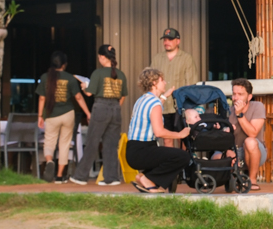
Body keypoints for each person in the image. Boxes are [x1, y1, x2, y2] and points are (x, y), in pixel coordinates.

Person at [125, 67, 191, 193]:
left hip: (133, 151)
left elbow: (154, 108)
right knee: (182, 156)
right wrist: (180, 134)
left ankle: (144, 177)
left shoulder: (142, 99)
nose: (165, 82)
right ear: (154, 83)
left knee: (164, 154)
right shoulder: (155, 103)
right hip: (142, 151)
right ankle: (148, 179)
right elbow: (159, 132)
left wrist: (165, 96)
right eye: (162, 80)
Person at [70, 45, 127, 186]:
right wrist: (115, 107)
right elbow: (123, 96)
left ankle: (81, 176)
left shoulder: (98, 73)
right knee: (111, 145)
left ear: (102, 57)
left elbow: (89, 93)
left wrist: (84, 87)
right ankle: (112, 178)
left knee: (92, 141)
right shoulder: (121, 74)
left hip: (101, 107)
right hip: (116, 109)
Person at [36, 51, 90, 183]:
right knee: (64, 144)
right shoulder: (70, 78)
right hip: (67, 114)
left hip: (51, 115)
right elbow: (78, 97)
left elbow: (42, 98)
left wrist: (40, 116)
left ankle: (49, 161)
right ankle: (60, 176)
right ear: (64, 65)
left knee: (49, 142)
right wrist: (88, 113)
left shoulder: (45, 77)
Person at [228, 79, 267, 191]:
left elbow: (252, 133)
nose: (236, 98)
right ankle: (229, 180)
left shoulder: (258, 106)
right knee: (216, 156)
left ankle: (252, 180)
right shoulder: (228, 110)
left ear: (249, 97)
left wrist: (239, 114)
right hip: (235, 151)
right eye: (234, 94)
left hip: (255, 151)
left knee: (250, 141)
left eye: (240, 94)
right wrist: (227, 150)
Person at [150, 28, 199, 110]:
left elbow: (190, 86)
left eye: (170, 40)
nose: (166, 42)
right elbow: (151, 84)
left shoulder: (187, 59)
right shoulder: (156, 59)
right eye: (165, 40)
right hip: (160, 107)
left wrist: (188, 108)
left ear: (178, 41)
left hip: (179, 107)